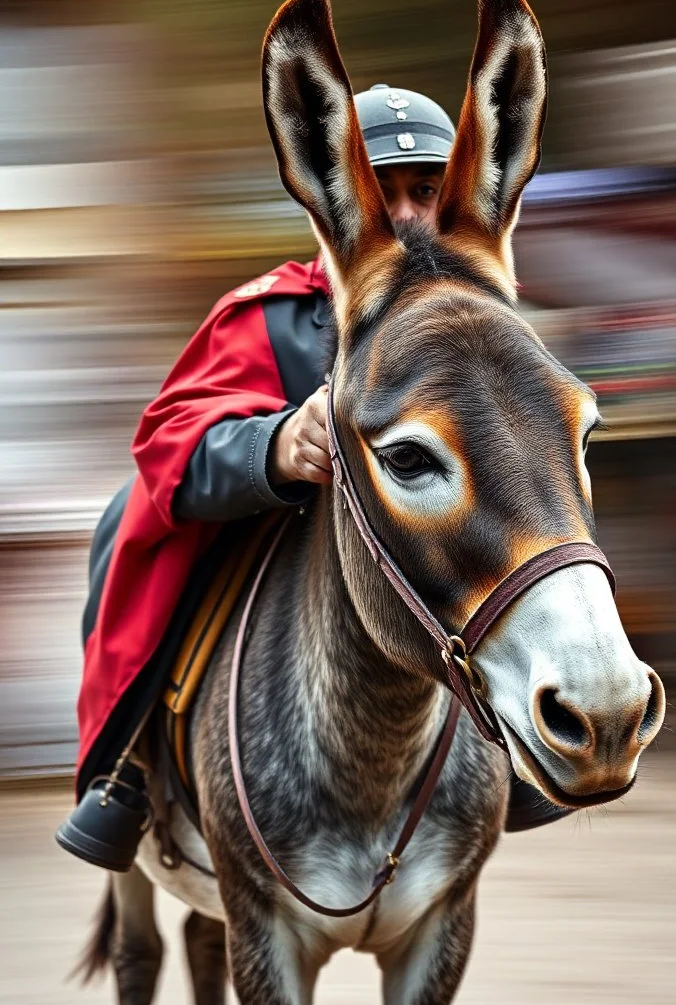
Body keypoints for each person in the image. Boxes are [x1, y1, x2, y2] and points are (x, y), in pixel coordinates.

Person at [56, 83, 563, 873]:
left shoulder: (479, 313)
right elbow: (167, 441)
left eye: (423, 190)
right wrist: (275, 445)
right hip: (280, 529)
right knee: (134, 526)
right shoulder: (268, 314)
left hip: (414, 541)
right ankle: (128, 763)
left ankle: (517, 741)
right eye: (380, 191)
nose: (402, 214)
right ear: (332, 201)